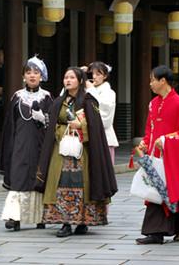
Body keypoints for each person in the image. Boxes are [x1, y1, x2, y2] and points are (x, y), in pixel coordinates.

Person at [35, 66, 118, 238]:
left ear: (80, 81)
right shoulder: (58, 102)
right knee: (61, 183)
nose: (68, 81)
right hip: (62, 150)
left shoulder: (88, 101)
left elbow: (96, 126)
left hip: (82, 152)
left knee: (82, 183)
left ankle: (82, 221)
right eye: (66, 77)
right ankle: (65, 223)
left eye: (72, 78)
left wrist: (81, 127)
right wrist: (61, 130)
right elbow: (52, 126)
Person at [135, 65, 179, 245]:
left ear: (163, 81)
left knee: (177, 189)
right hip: (157, 156)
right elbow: (149, 130)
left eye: (152, 80)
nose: (150, 83)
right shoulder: (153, 104)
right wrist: (145, 142)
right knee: (156, 192)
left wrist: (166, 140)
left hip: (174, 156)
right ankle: (156, 233)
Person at [0, 56, 53, 231]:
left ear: (42, 76)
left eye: (36, 72)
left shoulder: (47, 98)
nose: (32, 76)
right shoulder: (17, 97)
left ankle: (40, 216)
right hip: (19, 145)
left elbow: (53, 124)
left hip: (39, 145)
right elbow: (9, 125)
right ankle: (14, 217)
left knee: (37, 179)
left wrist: (43, 118)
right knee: (18, 178)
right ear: (23, 76)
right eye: (28, 72)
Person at [85, 62, 119, 164]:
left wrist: (91, 90)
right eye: (92, 74)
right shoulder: (87, 90)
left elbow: (106, 114)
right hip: (88, 137)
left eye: (98, 74)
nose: (94, 77)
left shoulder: (109, 93)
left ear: (105, 76)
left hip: (104, 138)